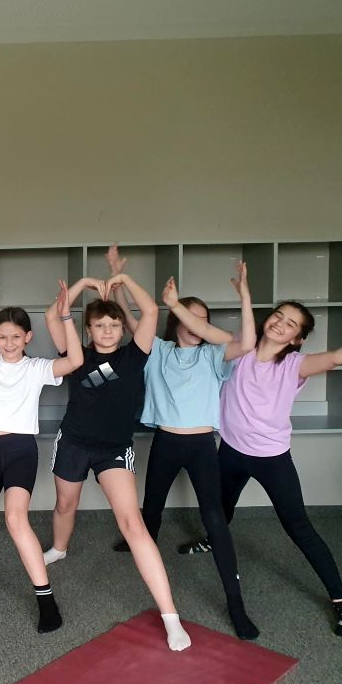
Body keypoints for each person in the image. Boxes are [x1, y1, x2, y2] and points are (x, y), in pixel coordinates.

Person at [178, 299, 342, 638]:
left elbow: (337, 357)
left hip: (272, 459)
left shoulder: (294, 365)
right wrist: (172, 304)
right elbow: (201, 328)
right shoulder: (239, 348)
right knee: (220, 507)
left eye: (290, 324)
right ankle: (213, 540)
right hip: (230, 450)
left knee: (299, 527)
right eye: (278, 316)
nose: (280, 323)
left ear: (297, 339)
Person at [106, 246, 259, 639]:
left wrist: (245, 295)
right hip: (166, 441)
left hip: (202, 445)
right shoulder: (158, 351)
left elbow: (247, 342)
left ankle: (236, 603)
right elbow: (131, 320)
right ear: (176, 320)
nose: (197, 324)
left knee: (215, 520)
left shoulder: (214, 355)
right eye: (190, 317)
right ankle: (145, 549)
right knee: (152, 506)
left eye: (204, 320)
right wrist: (117, 278)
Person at [43, 272, 192, 651]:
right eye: (99, 325)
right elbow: (51, 316)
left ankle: (170, 616)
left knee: (132, 523)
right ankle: (59, 548)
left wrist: (123, 277)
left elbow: (151, 310)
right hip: (73, 442)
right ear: (88, 329)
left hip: (113, 449)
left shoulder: (133, 355)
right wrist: (82, 284)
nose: (107, 331)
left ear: (123, 329)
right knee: (65, 504)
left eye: (113, 325)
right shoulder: (76, 355)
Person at [0, 282, 83, 634]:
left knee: (15, 518)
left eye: (15, 337)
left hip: (21, 450)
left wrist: (66, 315)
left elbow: (75, 361)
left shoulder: (37, 368)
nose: (8, 343)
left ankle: (46, 600)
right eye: (2, 337)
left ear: (28, 337)